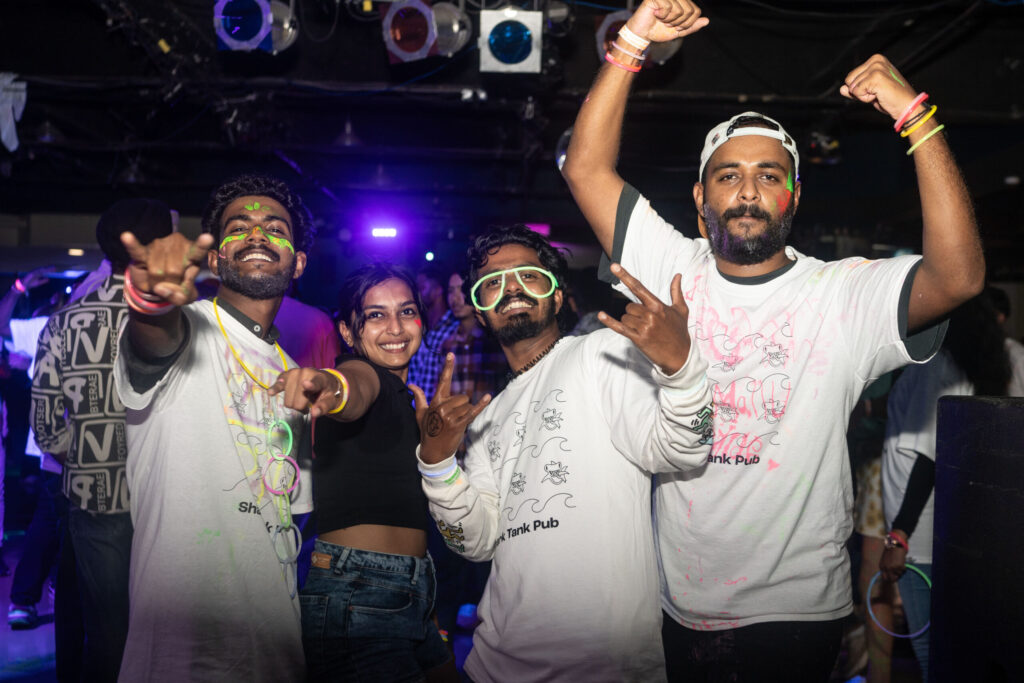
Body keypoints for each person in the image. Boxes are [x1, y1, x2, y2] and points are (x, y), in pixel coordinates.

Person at [561, 1, 984, 678]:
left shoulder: (842, 293)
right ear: (701, 203)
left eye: (769, 175)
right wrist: (633, 39)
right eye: (729, 176)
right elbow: (585, 168)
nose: (749, 191)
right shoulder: (673, 267)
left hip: (799, 613)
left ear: (793, 196)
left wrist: (916, 116)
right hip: (680, 605)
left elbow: (959, 276)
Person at [412, 225, 714, 681]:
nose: (510, 287)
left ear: (556, 295)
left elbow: (683, 448)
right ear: (481, 309)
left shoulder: (602, 353)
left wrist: (681, 369)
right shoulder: (487, 416)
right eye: (492, 282)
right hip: (493, 665)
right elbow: (472, 542)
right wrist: (437, 465)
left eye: (528, 275)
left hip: (604, 666)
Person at [112, 175, 315, 681]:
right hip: (182, 656)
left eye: (275, 227)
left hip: (276, 649)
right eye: (238, 227)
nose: (257, 235)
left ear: (299, 262)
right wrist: (151, 299)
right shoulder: (189, 328)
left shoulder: (296, 375)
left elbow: (291, 517)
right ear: (216, 259)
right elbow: (153, 338)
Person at [270, 263, 456, 681]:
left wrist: (435, 444)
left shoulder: (407, 399)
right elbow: (350, 389)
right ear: (349, 333)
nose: (395, 327)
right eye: (375, 315)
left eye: (406, 312)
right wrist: (328, 387)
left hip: (414, 588)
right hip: (358, 590)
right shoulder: (368, 375)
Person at [27, 199, 173, 680]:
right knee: (173, 638)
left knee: (109, 638)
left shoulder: (65, 321)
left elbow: (46, 427)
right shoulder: (185, 322)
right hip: (170, 500)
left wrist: (92, 455)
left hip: (96, 501)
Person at [879, 293, 1015, 682]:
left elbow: (928, 457)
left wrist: (899, 538)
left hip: (919, 538)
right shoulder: (961, 367)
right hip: (941, 531)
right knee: (953, 653)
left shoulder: (935, 366)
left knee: (931, 654)